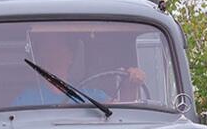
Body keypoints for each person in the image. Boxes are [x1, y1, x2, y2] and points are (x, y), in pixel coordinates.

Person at [13, 29, 146, 107]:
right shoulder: (26, 99)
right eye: (47, 48)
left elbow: (121, 118)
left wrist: (131, 85)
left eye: (58, 48)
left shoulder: (92, 95)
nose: (52, 54)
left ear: (70, 55)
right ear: (40, 56)